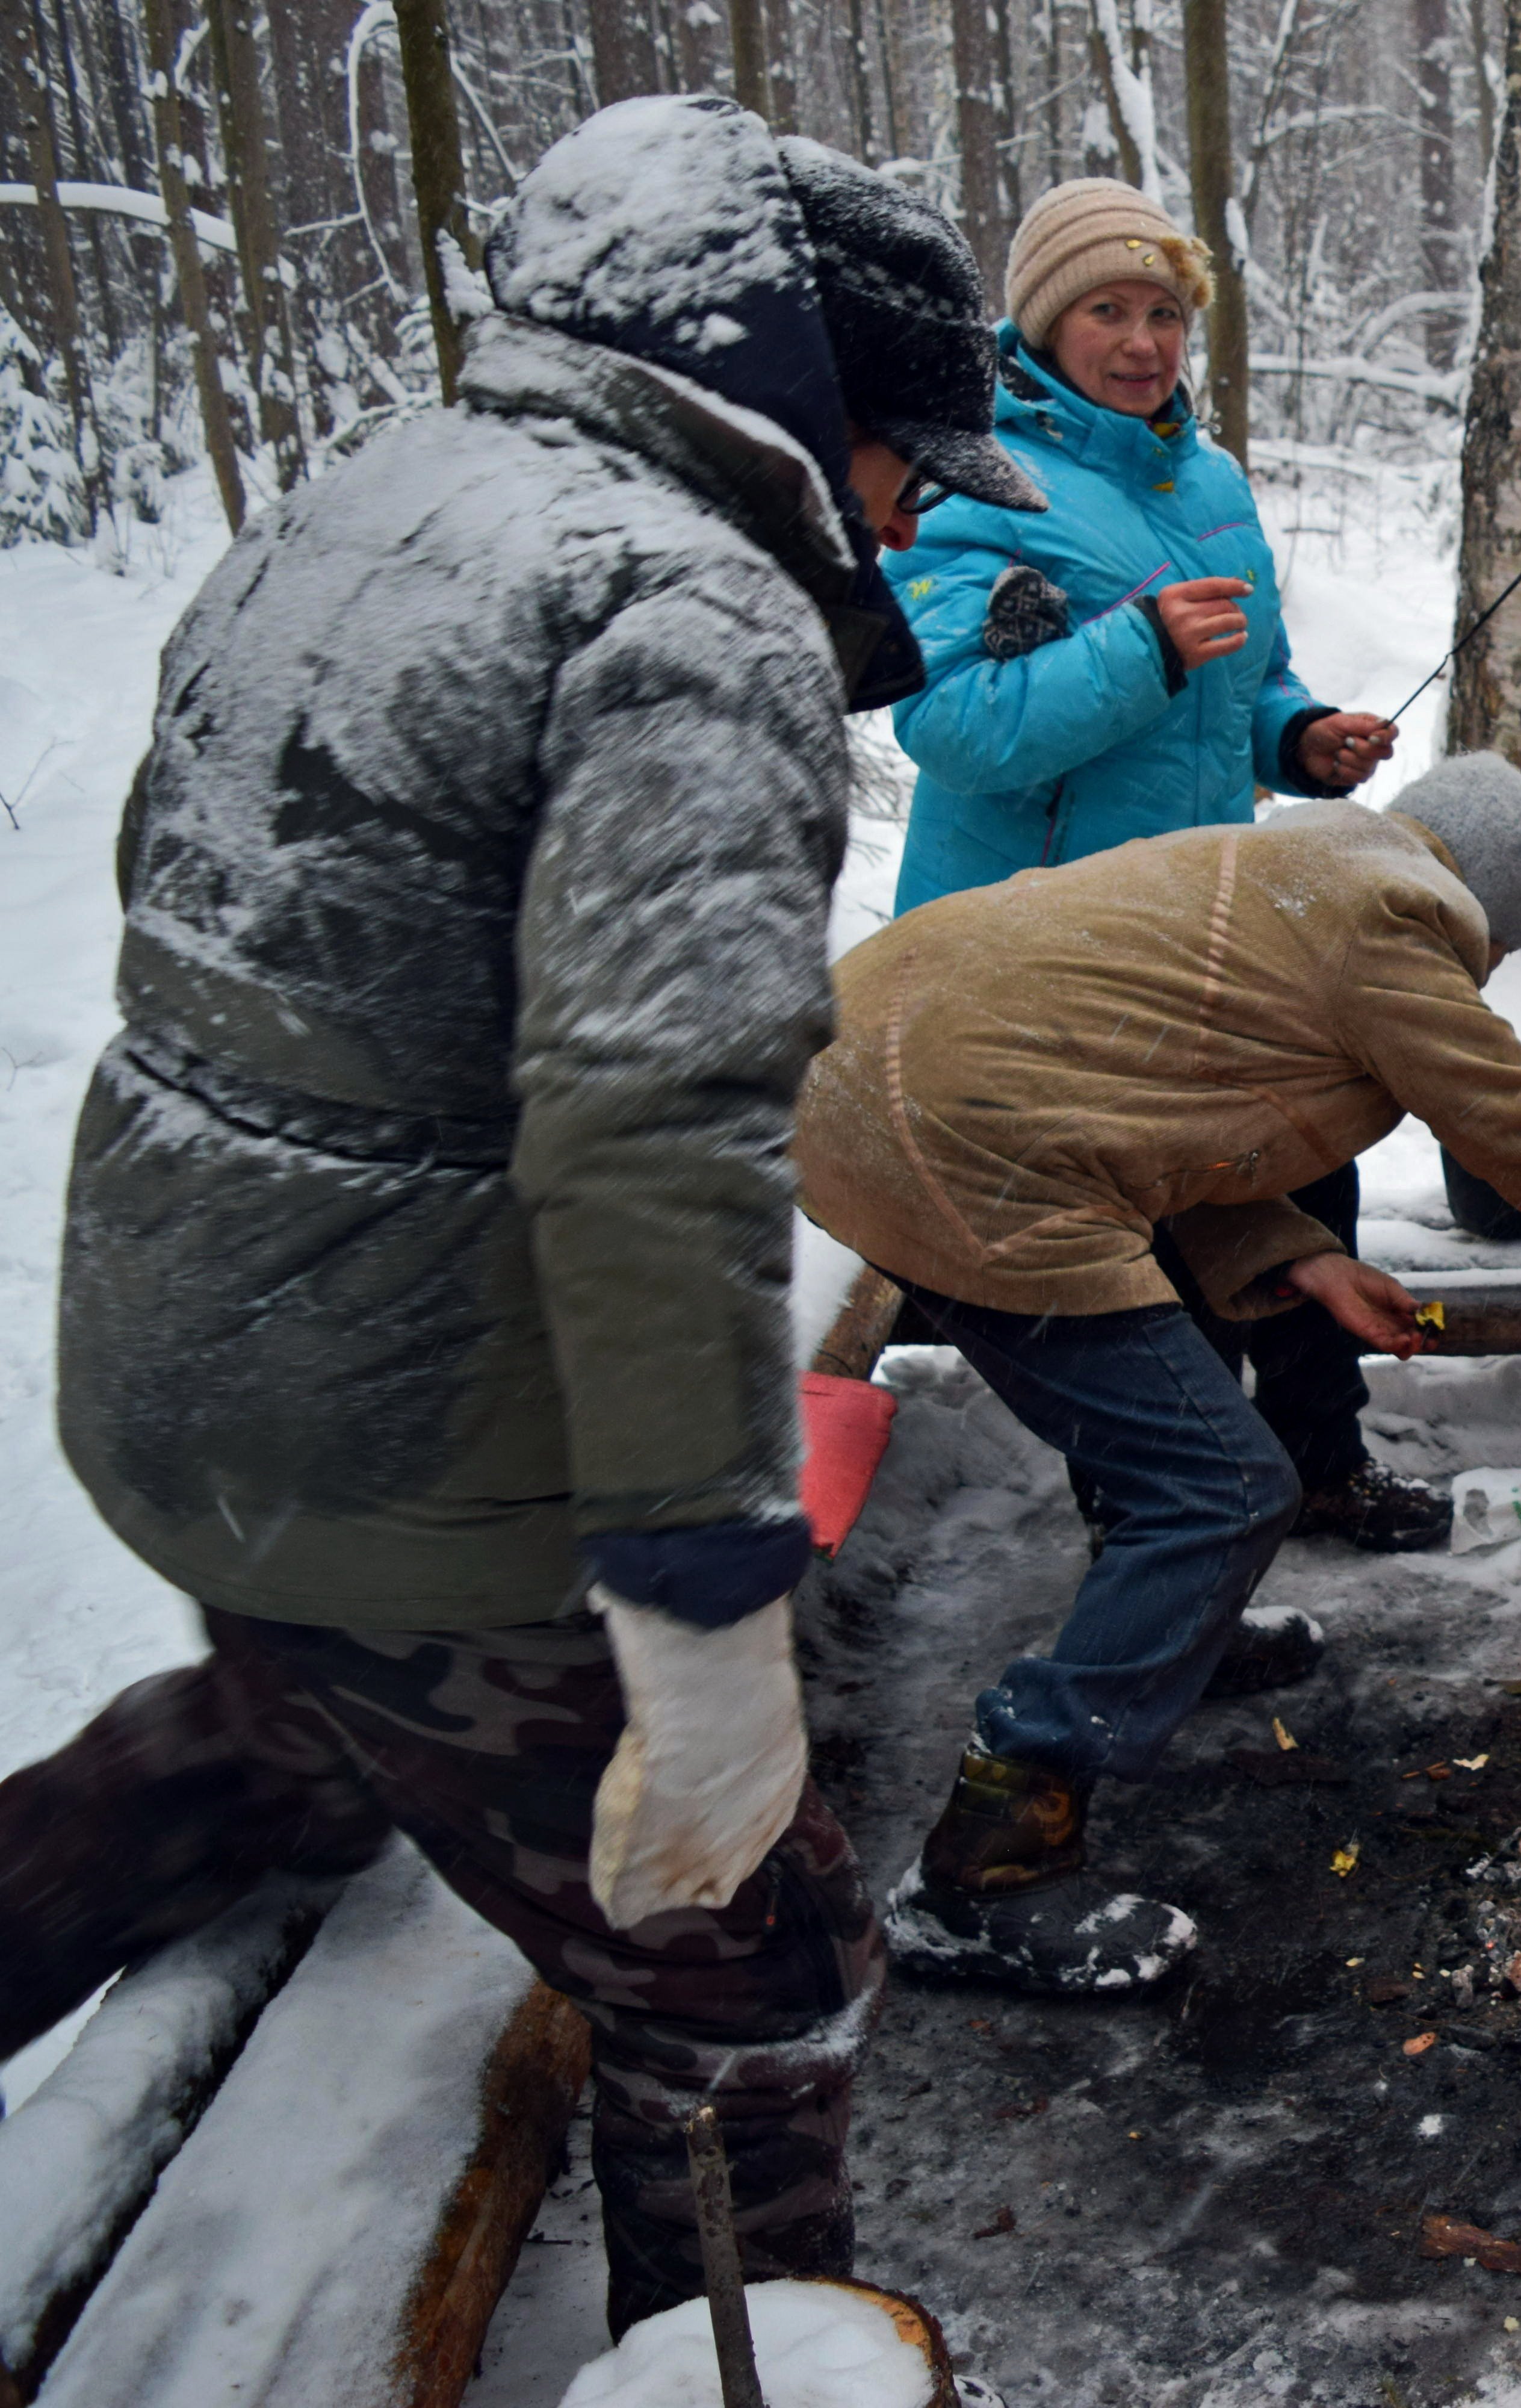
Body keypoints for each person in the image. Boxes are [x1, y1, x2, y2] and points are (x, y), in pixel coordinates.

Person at [0, 98, 1042, 2335]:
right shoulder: (685, 608)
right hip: (424, 1449)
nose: (897, 519)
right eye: (904, 467)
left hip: (185, 1374)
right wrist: (699, 1610)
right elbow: (659, 1129)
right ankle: (722, 2379)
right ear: (803, 405)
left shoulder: (378, 496)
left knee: (290, 1729)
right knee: (753, 1975)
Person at [791, 754, 1521, 1994]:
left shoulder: (1286, 875)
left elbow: (1158, 1111)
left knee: (1183, 1440)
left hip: (888, 1068)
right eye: (1504, 955)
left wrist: (1303, 1260)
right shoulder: (1390, 916)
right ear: (1494, 907)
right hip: (947, 1134)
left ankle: (1167, 1635)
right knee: (1220, 1482)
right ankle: (988, 1869)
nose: (1491, 973)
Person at [880, 178, 1440, 1552]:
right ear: (1041, 322)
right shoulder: (977, 481)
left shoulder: (1207, 478)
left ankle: (1321, 1460)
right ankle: (1168, 1534)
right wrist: (1139, 647)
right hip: (1039, 948)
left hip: (1196, 926)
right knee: (1151, 1242)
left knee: (1307, 1162)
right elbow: (950, 724)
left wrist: (1301, 737)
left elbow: (1243, 679)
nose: (1142, 344)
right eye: (1107, 311)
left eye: (1165, 315)